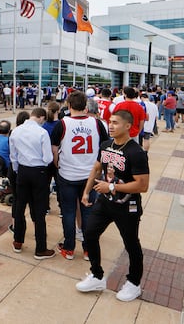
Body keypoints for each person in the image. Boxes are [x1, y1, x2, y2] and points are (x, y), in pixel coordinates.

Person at [76, 110, 150, 302]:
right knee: (90, 233)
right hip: (104, 203)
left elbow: (142, 185)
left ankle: (134, 283)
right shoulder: (106, 145)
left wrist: (111, 187)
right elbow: (97, 168)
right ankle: (97, 276)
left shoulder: (136, 152)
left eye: (116, 122)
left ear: (128, 126)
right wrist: (86, 191)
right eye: (110, 122)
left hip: (127, 206)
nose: (111, 125)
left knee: (131, 244)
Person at [50, 92, 109, 261]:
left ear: (69, 106)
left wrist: (57, 163)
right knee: (88, 213)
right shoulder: (97, 123)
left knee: (68, 212)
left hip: (68, 174)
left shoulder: (62, 124)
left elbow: (54, 148)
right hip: (90, 175)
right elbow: (105, 147)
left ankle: (69, 248)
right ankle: (88, 250)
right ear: (85, 106)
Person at [9, 107, 55, 259]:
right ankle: (40, 248)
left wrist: (17, 169)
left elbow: (13, 155)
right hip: (39, 171)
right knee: (39, 210)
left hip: (22, 170)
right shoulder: (42, 132)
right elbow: (48, 158)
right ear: (41, 117)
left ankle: (17, 241)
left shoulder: (16, 131)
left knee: (20, 206)